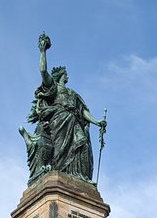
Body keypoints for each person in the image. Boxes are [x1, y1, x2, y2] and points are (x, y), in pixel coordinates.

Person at [19, 33, 106, 181]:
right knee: (58, 151)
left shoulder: (73, 93)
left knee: (82, 144)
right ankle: (59, 174)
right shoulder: (53, 87)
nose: (67, 77)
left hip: (73, 122)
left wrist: (97, 122)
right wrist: (42, 52)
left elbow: (83, 111)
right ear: (61, 76)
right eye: (65, 74)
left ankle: (78, 177)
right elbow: (43, 71)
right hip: (59, 122)